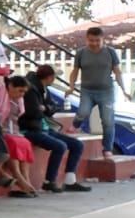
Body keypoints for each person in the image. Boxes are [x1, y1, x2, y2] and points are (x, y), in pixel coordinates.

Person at [23, 65, 90, 193]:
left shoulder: (44, 89)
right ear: (49, 77)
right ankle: (49, 181)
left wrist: (46, 108)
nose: (54, 79)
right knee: (60, 146)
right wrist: (45, 109)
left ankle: (70, 180)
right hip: (31, 128)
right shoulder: (31, 89)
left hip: (43, 127)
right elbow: (33, 112)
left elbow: (53, 107)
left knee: (77, 145)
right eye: (54, 77)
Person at [69, 25, 127, 151]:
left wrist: (124, 90)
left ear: (102, 39)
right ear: (86, 39)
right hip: (87, 90)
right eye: (91, 40)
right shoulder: (81, 53)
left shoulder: (110, 52)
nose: (94, 43)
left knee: (107, 121)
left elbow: (117, 72)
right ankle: (76, 124)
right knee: (83, 111)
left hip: (106, 91)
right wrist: (71, 87)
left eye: (97, 41)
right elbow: (75, 71)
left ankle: (107, 149)